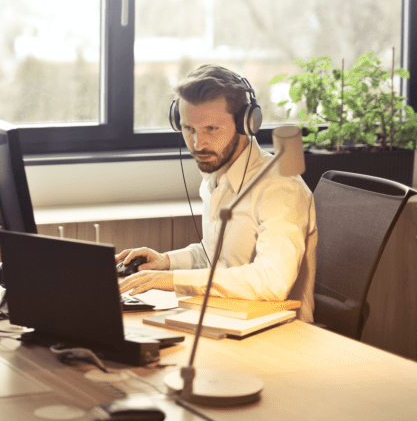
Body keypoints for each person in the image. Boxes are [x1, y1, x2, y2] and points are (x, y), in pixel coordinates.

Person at [117, 64, 317, 322]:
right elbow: (217, 256)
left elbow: (272, 281)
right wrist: (166, 262)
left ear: (246, 123)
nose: (198, 145)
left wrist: (174, 280)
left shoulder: (281, 188)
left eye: (212, 129)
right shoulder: (216, 178)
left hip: (279, 335)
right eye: (189, 129)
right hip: (225, 318)